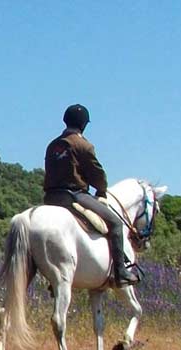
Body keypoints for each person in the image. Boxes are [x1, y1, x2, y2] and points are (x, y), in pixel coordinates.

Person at [43, 104, 140, 287]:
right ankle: (120, 272)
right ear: (83, 124)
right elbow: (97, 174)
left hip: (50, 198)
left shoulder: (53, 145)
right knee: (116, 223)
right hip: (73, 196)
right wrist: (101, 190)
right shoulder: (83, 145)